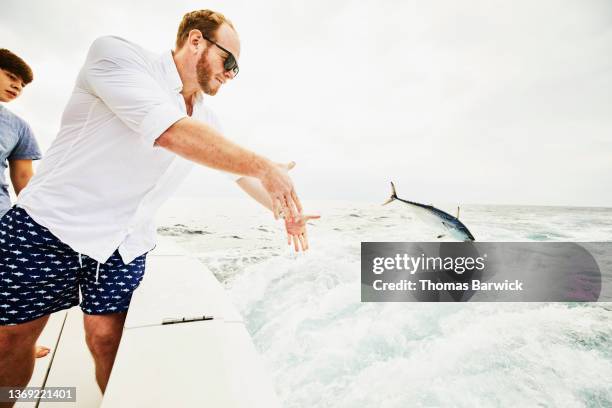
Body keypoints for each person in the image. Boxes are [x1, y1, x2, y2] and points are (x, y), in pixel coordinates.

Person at [0, 9, 317, 401]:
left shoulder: (206, 118)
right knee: (13, 340)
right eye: (228, 61)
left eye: (237, 69)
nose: (231, 74)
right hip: (47, 227)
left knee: (107, 339)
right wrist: (264, 165)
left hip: (123, 242)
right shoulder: (116, 57)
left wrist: (285, 207)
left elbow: (239, 175)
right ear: (196, 40)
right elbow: (167, 131)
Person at [0, 49, 50, 360]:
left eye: (22, 84)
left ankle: (18, 344)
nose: (17, 86)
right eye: (10, 77)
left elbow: (24, 181)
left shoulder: (19, 127)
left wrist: (39, 226)